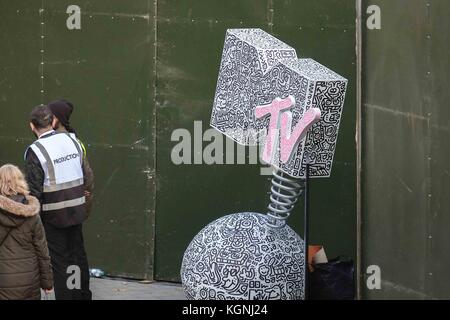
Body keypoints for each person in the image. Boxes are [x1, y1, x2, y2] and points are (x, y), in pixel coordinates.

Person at [24, 105, 91, 300]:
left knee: (60, 262)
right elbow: (84, 173)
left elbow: (34, 190)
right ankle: (82, 295)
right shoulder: (73, 141)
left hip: (53, 216)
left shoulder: (35, 151)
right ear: (52, 122)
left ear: (31, 126)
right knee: (77, 256)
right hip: (77, 210)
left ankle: (68, 297)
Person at [0, 164, 53, 300]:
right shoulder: (32, 213)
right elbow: (42, 251)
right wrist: (47, 283)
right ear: (21, 181)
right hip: (30, 280)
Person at [48, 99, 94, 217]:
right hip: (72, 213)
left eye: (49, 116)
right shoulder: (74, 141)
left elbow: (87, 179)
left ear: (58, 119)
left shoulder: (70, 143)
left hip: (59, 214)